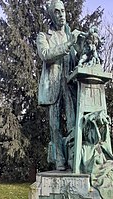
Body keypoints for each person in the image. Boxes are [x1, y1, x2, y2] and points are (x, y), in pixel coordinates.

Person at [37, 0, 78, 171]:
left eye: (63, 11)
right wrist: (68, 44)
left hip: (69, 85)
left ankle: (73, 158)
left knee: (72, 123)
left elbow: (76, 58)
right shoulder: (44, 36)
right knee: (54, 126)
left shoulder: (71, 34)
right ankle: (59, 159)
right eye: (57, 12)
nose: (61, 15)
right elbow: (45, 54)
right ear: (51, 15)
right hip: (53, 85)